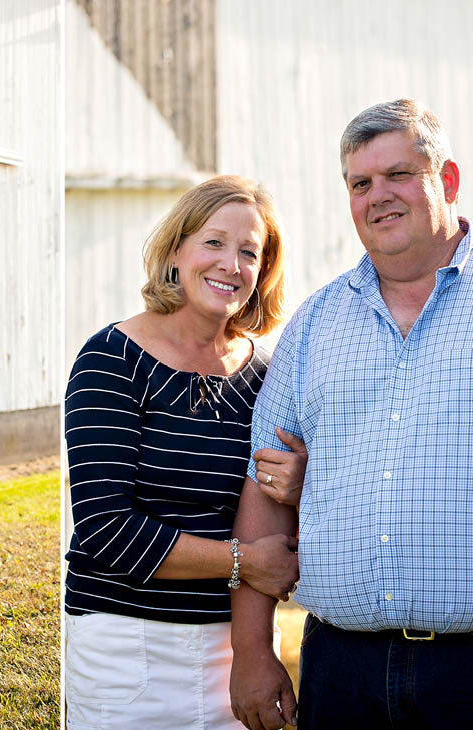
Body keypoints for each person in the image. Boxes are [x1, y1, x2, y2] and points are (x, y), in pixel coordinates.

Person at [229, 99, 473, 730]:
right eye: (360, 183)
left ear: (447, 180)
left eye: (398, 174)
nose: (378, 196)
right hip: (342, 670)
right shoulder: (315, 324)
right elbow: (263, 485)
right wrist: (253, 652)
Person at [64, 175, 308, 729]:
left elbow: (277, 511)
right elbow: (105, 528)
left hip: (238, 646)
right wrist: (244, 561)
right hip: (127, 647)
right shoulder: (111, 358)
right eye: (214, 242)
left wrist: (302, 486)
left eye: (249, 252)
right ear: (176, 250)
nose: (231, 264)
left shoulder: (268, 375)